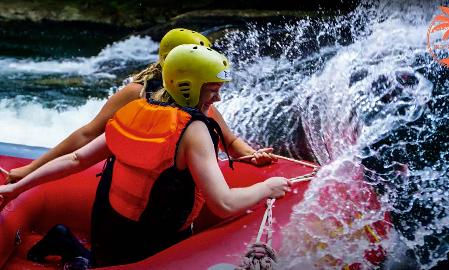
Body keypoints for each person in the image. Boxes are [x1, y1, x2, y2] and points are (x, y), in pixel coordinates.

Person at [0, 45, 291, 268]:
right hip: (154, 241)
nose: (218, 98)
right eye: (213, 90)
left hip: (113, 227)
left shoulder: (137, 110)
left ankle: (67, 244)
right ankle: (72, 252)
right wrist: (268, 187)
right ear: (188, 86)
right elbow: (225, 202)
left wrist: (16, 188)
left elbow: (76, 160)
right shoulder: (194, 130)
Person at [5, 28, 276, 184]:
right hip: (129, 185)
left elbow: (230, 141)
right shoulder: (136, 93)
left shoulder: (199, 102)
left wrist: (252, 155)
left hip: (169, 192)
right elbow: (87, 135)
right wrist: (30, 170)